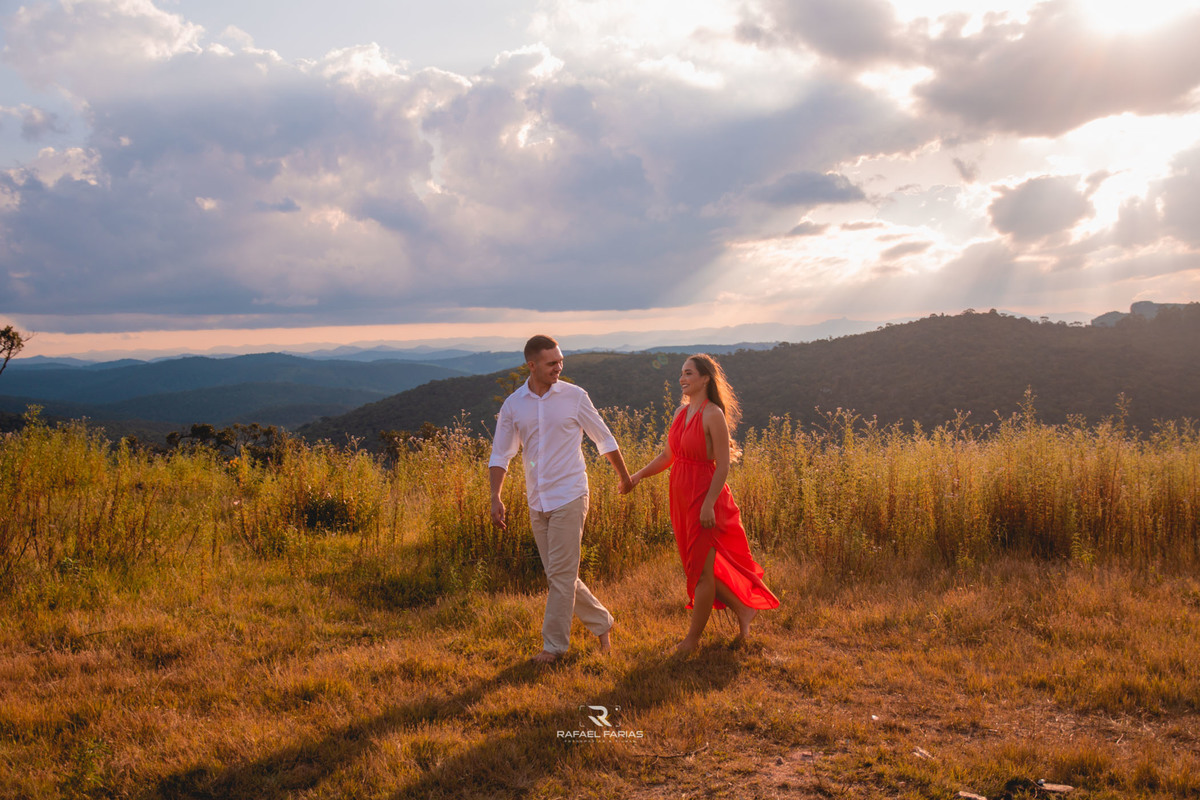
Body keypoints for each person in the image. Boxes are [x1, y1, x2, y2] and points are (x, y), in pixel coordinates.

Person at [489, 335, 634, 664]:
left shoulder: (574, 397)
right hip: (536, 501)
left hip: (570, 494)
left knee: (560, 576)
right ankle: (602, 623)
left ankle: (553, 648)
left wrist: (625, 477)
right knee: (560, 575)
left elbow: (604, 438)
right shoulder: (514, 404)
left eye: (561, 361)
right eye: (552, 363)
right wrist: (495, 496)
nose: (559, 367)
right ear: (532, 365)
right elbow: (501, 454)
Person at [627, 353, 778, 653]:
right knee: (698, 567)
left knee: (703, 571)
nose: (682, 379)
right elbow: (668, 457)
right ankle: (744, 610)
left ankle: (692, 640)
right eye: (681, 374)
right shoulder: (679, 414)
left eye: (688, 374)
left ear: (705, 378)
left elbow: (723, 465)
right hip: (681, 497)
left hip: (706, 497)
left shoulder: (713, 415)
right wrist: (637, 476)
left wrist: (709, 504)